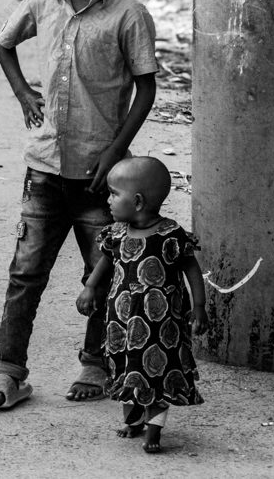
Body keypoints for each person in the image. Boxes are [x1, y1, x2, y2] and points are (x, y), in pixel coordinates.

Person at [0, 0, 159, 410]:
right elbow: (3, 41)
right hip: (43, 172)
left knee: (100, 274)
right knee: (24, 275)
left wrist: (115, 152)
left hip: (103, 180)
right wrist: (23, 93)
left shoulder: (129, 16)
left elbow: (146, 88)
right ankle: (10, 371)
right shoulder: (40, 3)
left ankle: (94, 363)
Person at [77, 156, 206, 454]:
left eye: (113, 193)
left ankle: (154, 432)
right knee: (127, 370)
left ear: (136, 201)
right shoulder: (117, 234)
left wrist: (199, 307)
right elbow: (106, 263)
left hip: (163, 328)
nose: (108, 200)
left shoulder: (170, 235)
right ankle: (133, 422)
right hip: (122, 322)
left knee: (157, 375)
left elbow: (192, 271)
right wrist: (90, 288)